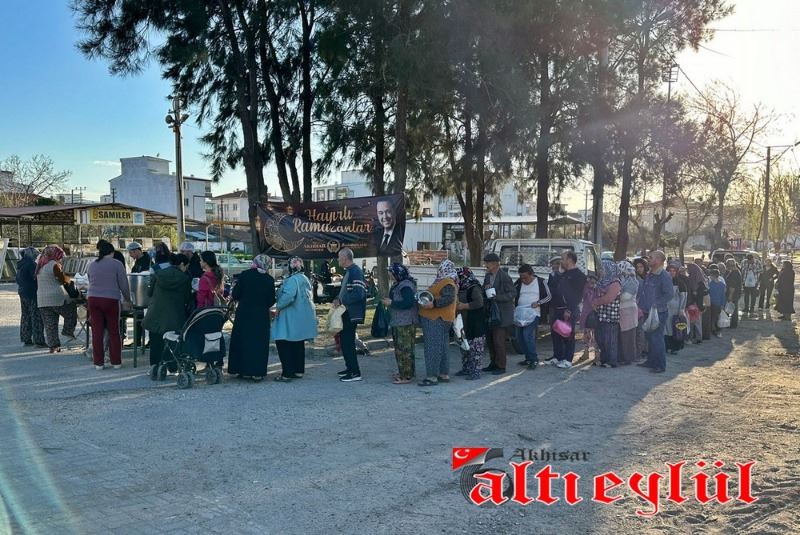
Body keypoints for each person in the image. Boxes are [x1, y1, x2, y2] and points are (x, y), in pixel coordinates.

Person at [87, 240, 132, 370]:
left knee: (97, 332)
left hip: (93, 299)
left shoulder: (92, 264)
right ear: (112, 252)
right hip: (111, 300)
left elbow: (90, 280)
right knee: (114, 331)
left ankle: (98, 363)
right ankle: (116, 362)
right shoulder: (117, 264)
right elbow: (124, 284)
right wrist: (128, 300)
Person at [271, 257, 317, 382]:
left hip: (290, 315)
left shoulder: (292, 280)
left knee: (283, 342)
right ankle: (298, 370)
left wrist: (278, 306)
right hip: (301, 315)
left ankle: (287, 373)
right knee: (298, 342)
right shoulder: (305, 278)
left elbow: (289, 296)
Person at [142, 253, 192, 368]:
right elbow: (187, 298)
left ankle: (155, 366)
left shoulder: (158, 274)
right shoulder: (185, 279)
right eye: (186, 267)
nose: (186, 269)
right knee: (172, 342)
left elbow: (149, 293)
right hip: (174, 317)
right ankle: (172, 366)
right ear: (182, 264)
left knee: (155, 342)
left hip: (155, 314)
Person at [418, 260, 458, 386]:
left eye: (440, 268)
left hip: (436, 319)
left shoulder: (447, 282)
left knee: (432, 347)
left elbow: (448, 298)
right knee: (442, 347)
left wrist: (433, 304)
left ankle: (432, 377)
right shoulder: (448, 281)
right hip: (442, 318)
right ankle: (443, 374)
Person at [547, 250, 586, 369]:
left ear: (569, 260)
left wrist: (569, 309)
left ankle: (568, 360)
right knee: (556, 333)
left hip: (568, 310)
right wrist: (558, 273)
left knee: (567, 334)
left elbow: (577, 295)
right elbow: (552, 287)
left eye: (563, 259)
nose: (561, 261)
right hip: (557, 308)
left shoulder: (579, 275)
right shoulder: (562, 273)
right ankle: (557, 356)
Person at [36, 245, 78, 353]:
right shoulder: (54, 265)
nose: (60, 258)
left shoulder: (40, 265)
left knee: (50, 325)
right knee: (71, 310)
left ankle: (53, 346)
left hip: (42, 300)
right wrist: (69, 279)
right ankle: (68, 330)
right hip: (56, 298)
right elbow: (62, 280)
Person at [333, 248, 367, 382]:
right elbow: (345, 292)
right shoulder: (348, 271)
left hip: (351, 313)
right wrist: (337, 298)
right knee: (344, 342)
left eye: (339, 257)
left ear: (345, 258)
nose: (338, 259)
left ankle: (355, 373)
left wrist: (342, 301)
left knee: (348, 342)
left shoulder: (355, 272)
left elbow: (359, 293)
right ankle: (349, 368)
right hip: (345, 312)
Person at [637, 251, 673, 373]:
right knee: (650, 338)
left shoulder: (664, 276)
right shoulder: (650, 274)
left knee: (657, 338)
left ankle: (660, 365)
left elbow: (669, 294)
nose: (648, 259)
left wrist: (655, 304)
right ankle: (651, 361)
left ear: (658, 260)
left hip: (658, 312)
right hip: (647, 311)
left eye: (651, 258)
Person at [481, 253, 516, 375]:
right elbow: (484, 290)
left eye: (487, 263)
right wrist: (485, 290)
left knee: (498, 341)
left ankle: (501, 366)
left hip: (502, 314)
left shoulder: (504, 276)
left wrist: (498, 297)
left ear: (495, 263)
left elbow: (512, 293)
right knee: (490, 340)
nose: (486, 265)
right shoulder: (488, 276)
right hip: (491, 313)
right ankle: (493, 363)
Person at [383, 263, 418, 384]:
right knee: (401, 349)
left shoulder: (405, 286)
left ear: (398, 273)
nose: (390, 275)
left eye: (391, 272)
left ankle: (406, 376)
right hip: (399, 321)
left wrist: (391, 303)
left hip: (405, 322)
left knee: (404, 350)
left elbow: (408, 302)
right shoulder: (399, 283)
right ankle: (406, 372)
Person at [513, 264, 551, 370]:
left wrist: (538, 303)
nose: (523, 280)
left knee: (527, 334)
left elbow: (549, 296)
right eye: (521, 277)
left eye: (525, 277)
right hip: (520, 313)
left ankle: (534, 359)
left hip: (534, 313)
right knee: (519, 336)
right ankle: (528, 358)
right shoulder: (519, 282)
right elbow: (512, 292)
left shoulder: (541, 281)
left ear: (532, 274)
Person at [456, 267, 487, 380]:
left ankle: (475, 372)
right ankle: (466, 368)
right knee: (464, 346)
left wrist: (464, 306)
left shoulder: (473, 287)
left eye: (458, 277)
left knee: (475, 349)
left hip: (475, 323)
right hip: (464, 323)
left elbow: (479, 302)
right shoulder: (460, 287)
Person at [591, 260, 622, 368]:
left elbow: (609, 298)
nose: (600, 271)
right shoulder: (602, 281)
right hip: (600, 315)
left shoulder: (615, 282)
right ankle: (603, 359)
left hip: (610, 316)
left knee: (610, 340)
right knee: (600, 339)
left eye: (603, 269)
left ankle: (611, 361)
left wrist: (596, 302)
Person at [16, 246, 45, 347]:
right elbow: (36, 277)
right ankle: (39, 340)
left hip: (22, 291)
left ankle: (26, 338)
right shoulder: (31, 264)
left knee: (25, 315)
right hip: (32, 292)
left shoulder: (20, 264)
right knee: (36, 316)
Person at [617, 260, 639, 366]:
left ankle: (628, 358)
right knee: (625, 335)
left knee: (628, 336)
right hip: (625, 310)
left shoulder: (631, 281)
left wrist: (615, 295)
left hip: (628, 310)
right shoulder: (624, 279)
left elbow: (625, 297)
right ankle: (626, 357)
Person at [664, 261, 688, 355]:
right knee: (667, 330)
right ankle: (667, 346)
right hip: (666, 309)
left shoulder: (680, 283)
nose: (671, 273)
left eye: (673, 271)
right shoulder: (664, 282)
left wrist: (681, 309)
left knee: (676, 328)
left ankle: (675, 347)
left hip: (676, 310)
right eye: (670, 271)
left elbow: (684, 297)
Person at [686, 262, 708, 344]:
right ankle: (697, 337)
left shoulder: (692, 280)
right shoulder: (701, 280)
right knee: (696, 322)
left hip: (695, 303)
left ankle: (694, 337)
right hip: (697, 304)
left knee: (694, 321)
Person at [632, 257, 649, 361]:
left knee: (647, 331)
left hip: (648, 308)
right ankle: (640, 352)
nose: (639, 269)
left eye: (641, 266)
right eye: (637, 267)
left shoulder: (649, 277)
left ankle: (646, 350)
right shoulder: (635, 279)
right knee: (640, 332)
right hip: (639, 309)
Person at [578, 274, 598, 362]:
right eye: (590, 282)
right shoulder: (586, 289)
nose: (592, 284)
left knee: (594, 336)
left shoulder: (596, 290)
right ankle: (589, 353)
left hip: (591, 314)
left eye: (593, 282)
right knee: (589, 336)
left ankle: (593, 354)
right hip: (589, 315)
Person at [708, 267, 726, 337]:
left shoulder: (710, 284)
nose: (710, 277)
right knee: (716, 317)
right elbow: (723, 296)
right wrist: (723, 304)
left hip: (713, 303)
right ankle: (716, 329)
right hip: (718, 303)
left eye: (711, 275)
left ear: (713, 275)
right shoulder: (722, 285)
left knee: (713, 317)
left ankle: (714, 330)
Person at [724, 259, 742, 328]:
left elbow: (732, 286)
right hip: (736, 293)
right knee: (734, 309)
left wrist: (730, 296)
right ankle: (733, 324)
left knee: (732, 309)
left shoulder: (733, 274)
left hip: (733, 294)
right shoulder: (737, 271)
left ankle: (732, 324)